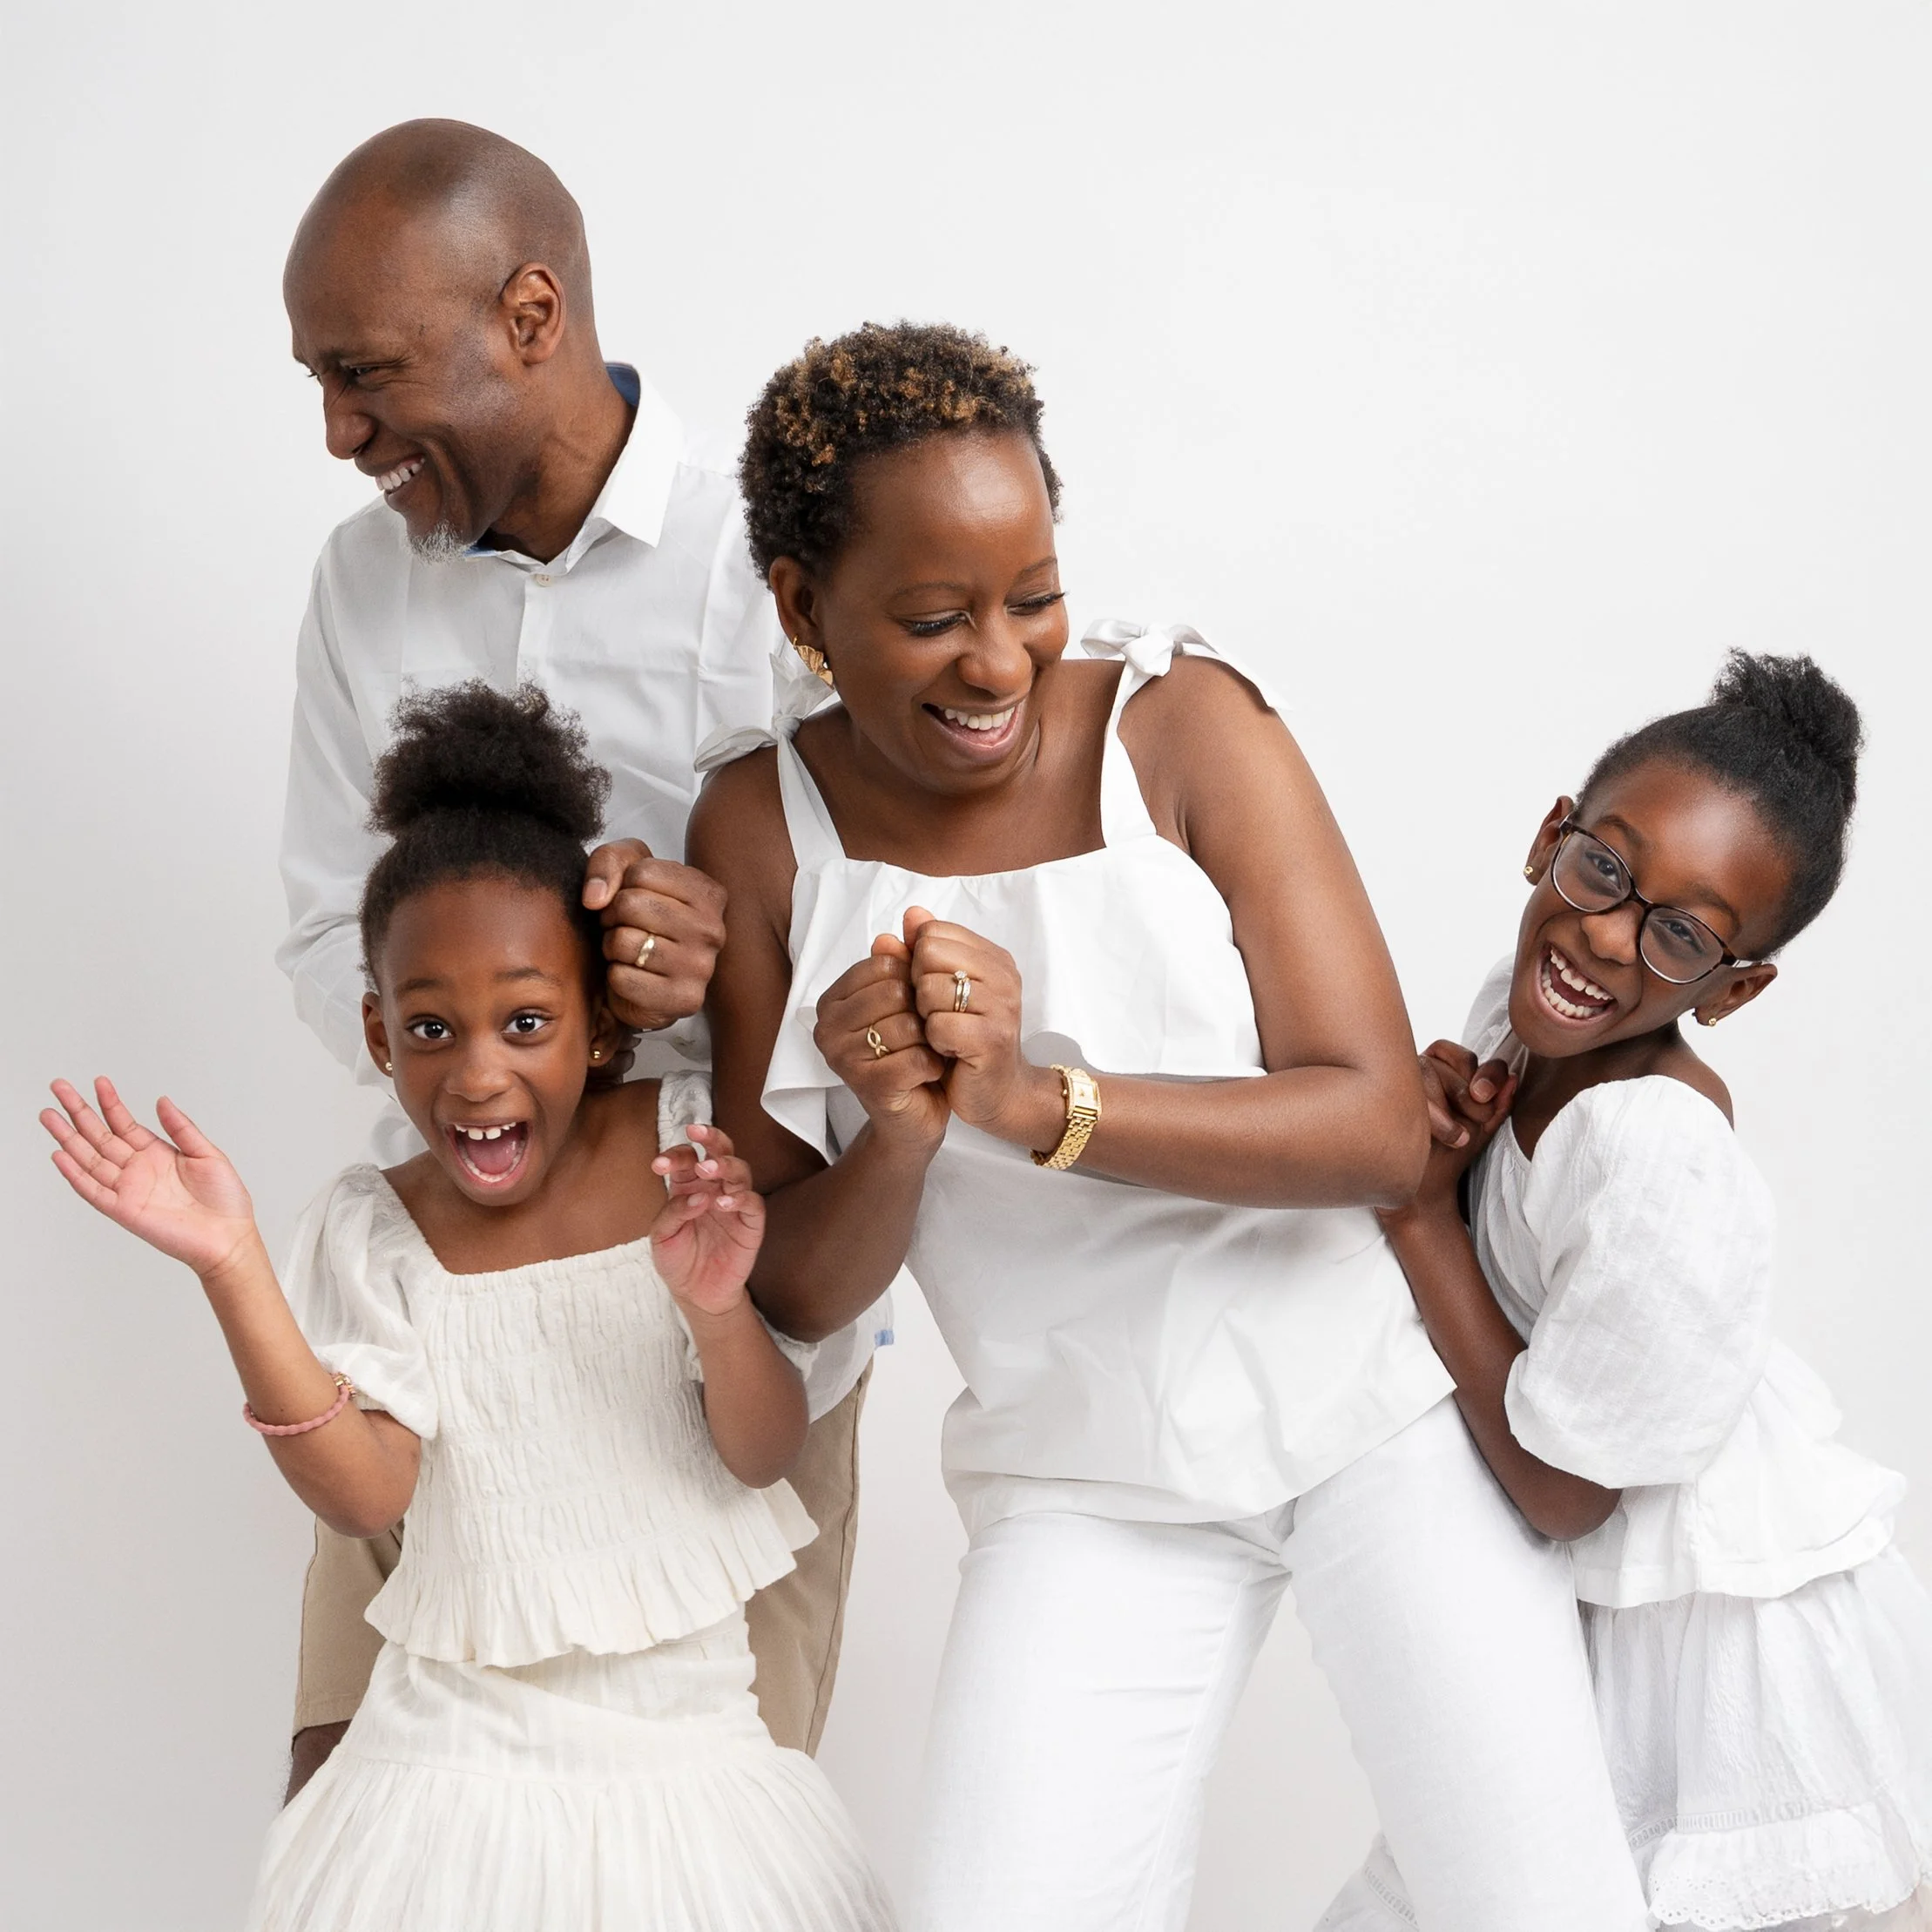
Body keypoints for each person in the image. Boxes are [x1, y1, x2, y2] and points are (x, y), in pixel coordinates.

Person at [688, 320, 1651, 1931]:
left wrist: (1028, 1099)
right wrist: (907, 1129)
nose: (996, 661)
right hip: (1086, 1476)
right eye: (931, 618)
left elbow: (1367, 1127)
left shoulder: (1178, 725)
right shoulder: (757, 826)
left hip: (1360, 1416)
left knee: (1545, 1907)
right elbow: (785, 1285)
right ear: (800, 608)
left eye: (1030, 596)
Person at [41, 685, 896, 1932]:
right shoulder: (375, 1225)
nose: (479, 1069)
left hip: (689, 1771)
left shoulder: (685, 1147)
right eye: (432, 1027)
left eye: (527, 1020)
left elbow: (762, 1451)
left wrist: (718, 1308)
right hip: (446, 1773)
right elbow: (366, 1494)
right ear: (382, 1037)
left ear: (603, 1024)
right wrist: (232, 1263)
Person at [276, 119, 880, 1788]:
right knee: (355, 1805)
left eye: (367, 374)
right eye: (317, 382)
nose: (339, 433)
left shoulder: (774, 565)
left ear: (530, 317)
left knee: (706, 1833)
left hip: (723, 1322)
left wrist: (723, 964)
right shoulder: (357, 586)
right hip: (440, 1323)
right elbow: (328, 918)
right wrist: (488, 1036)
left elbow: (900, 937)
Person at [1331, 653, 1932, 1930]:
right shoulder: (1521, 1014)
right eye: (1603, 867)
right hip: (1593, 1611)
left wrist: (1415, 1207)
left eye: (1680, 933)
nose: (1606, 935)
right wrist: (1449, 1135)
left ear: (1736, 985)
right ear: (1550, 836)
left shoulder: (1652, 1147)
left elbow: (1560, 1487)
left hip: (1714, 1655)